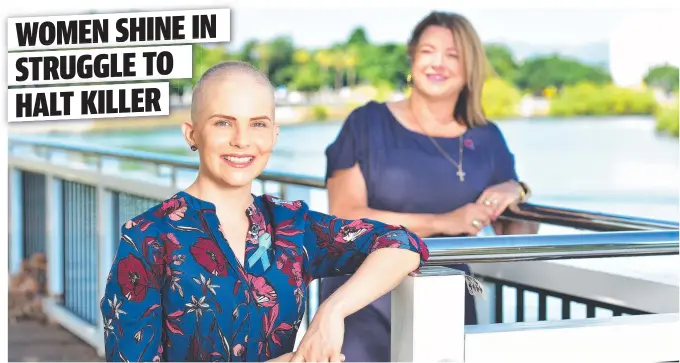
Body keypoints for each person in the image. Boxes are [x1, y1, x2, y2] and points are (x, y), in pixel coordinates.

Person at [99, 61, 430, 362]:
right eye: (223, 123)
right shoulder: (147, 237)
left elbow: (400, 242)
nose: (242, 141)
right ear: (192, 134)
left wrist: (332, 311)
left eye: (258, 124)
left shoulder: (291, 226)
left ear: (274, 134)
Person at [321, 11, 538, 362]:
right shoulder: (367, 123)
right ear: (412, 56)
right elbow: (345, 216)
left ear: (470, 68)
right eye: (428, 51)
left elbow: (518, 234)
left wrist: (518, 191)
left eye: (453, 55)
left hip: (445, 302)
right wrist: (445, 222)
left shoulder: (487, 139)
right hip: (363, 297)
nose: (438, 63)